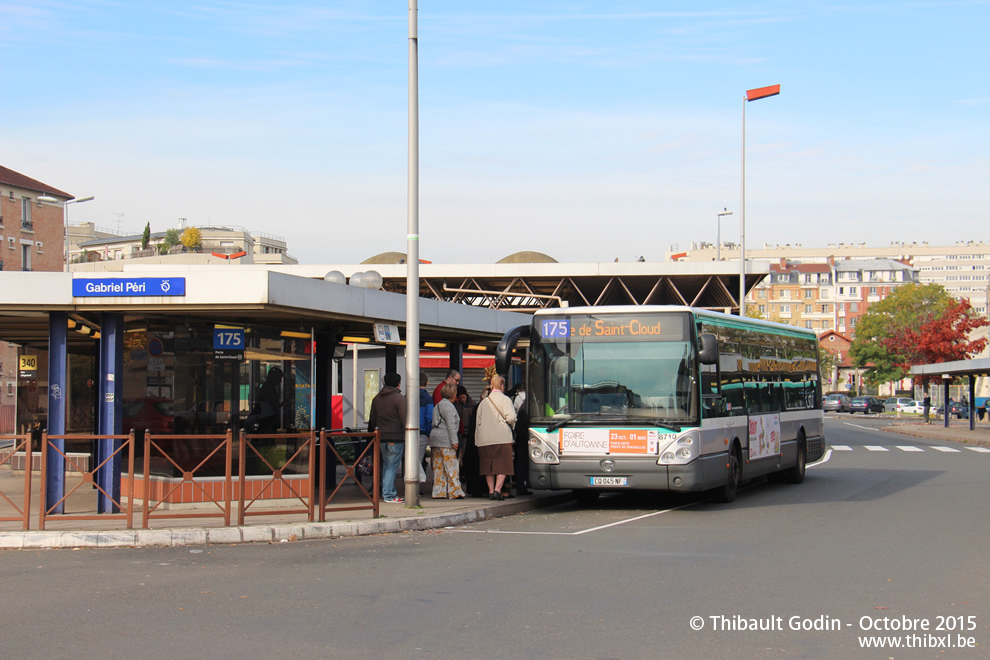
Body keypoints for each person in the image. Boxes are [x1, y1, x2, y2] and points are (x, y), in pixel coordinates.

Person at [474, 373, 516, 500]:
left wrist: (477, 440)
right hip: (502, 438)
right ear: (502, 386)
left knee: (488, 467)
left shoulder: (483, 403)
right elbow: (512, 417)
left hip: (484, 439)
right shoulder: (505, 400)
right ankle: (498, 490)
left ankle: (491, 491)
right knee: (502, 465)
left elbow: (478, 422)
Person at [368, 372, 406, 503]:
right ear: (398, 383)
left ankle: (385, 491)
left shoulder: (376, 398)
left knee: (385, 465)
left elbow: (372, 419)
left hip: (381, 437)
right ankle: (389, 494)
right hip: (396, 437)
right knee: (391, 466)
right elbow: (404, 418)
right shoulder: (399, 398)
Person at [430, 382, 465, 499]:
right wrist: (454, 441)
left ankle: (438, 491)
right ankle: (455, 491)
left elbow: (434, 422)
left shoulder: (437, 406)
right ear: (453, 394)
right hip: (446, 439)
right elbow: (450, 425)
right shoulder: (450, 407)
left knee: (438, 467)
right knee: (451, 466)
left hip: (435, 438)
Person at [418, 372, 433, 486]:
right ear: (427, 383)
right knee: (418, 459)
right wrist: (429, 433)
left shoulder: (407, 396)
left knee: (410, 460)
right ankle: (419, 482)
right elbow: (429, 417)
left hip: (407, 433)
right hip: (422, 432)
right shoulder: (428, 398)